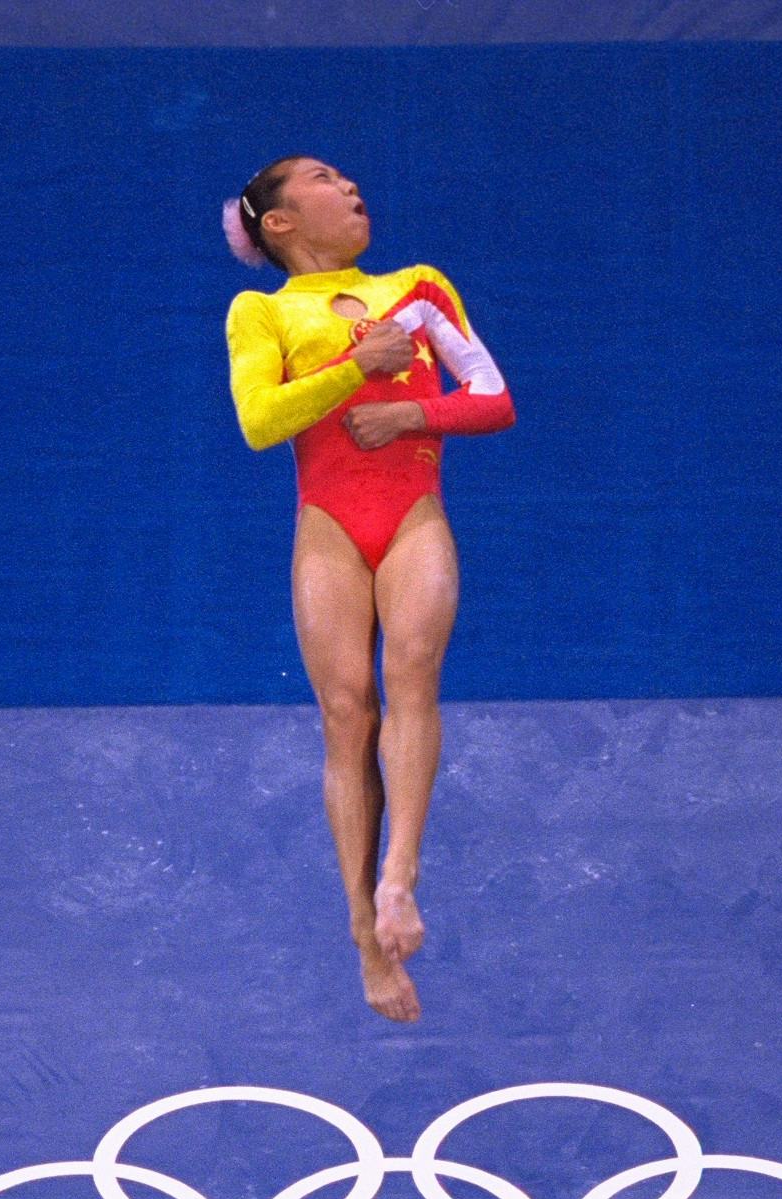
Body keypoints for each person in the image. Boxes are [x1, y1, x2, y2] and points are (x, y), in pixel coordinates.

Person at [221, 155, 515, 1023]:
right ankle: (363, 934)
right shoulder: (263, 311)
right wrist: (359, 368)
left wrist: (410, 412)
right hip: (329, 524)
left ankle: (399, 879)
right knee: (347, 713)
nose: (351, 185)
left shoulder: (416, 287)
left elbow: (493, 397)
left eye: (350, 177)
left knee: (411, 675)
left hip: (413, 510)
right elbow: (258, 422)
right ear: (280, 221)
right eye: (324, 178)